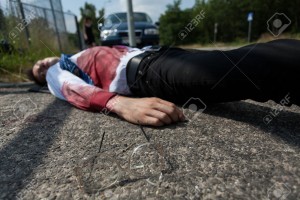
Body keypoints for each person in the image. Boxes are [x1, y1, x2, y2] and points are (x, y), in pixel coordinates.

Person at [28, 39, 300, 126]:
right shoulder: (58, 70)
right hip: (147, 72)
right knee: (251, 65)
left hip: (159, 55)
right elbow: (69, 88)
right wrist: (120, 104)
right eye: (38, 71)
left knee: (237, 65)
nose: (42, 66)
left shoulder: (75, 54)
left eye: (40, 62)